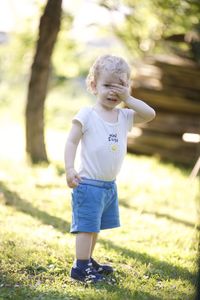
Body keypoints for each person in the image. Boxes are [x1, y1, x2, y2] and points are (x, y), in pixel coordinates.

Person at [64, 54, 156, 283]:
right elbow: (71, 141)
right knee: (86, 227)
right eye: (107, 85)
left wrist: (129, 98)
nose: (114, 92)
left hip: (108, 186)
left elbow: (150, 114)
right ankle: (80, 267)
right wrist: (69, 168)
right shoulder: (88, 113)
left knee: (95, 227)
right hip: (88, 183)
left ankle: (88, 260)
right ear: (94, 85)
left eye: (121, 86)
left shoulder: (124, 116)